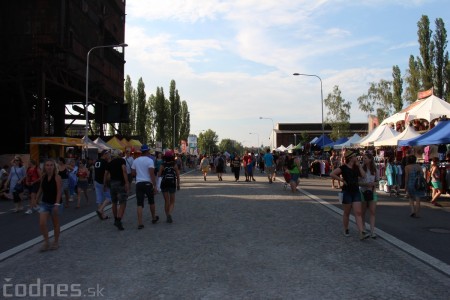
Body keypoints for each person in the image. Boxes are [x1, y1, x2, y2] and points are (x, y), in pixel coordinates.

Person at [330, 149, 370, 240]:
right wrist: (341, 180)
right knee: (347, 213)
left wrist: (359, 166)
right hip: (346, 191)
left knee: (358, 212)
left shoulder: (356, 167)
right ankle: (346, 228)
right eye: (355, 156)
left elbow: (363, 176)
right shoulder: (343, 167)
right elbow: (332, 174)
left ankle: (361, 232)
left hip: (355, 191)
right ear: (351, 158)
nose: (356, 157)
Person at [36, 159, 62, 251]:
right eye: (47, 165)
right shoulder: (43, 177)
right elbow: (41, 189)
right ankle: (46, 242)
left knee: (55, 224)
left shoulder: (57, 177)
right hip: (45, 203)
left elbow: (59, 191)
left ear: (54, 167)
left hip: (55, 203)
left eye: (51, 165)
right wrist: (36, 198)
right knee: (42, 223)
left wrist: (57, 204)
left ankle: (56, 242)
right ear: (45, 167)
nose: (49, 167)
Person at [131, 144, 158, 229]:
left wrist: (139, 174)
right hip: (147, 183)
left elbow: (133, 173)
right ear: (147, 151)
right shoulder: (149, 161)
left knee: (139, 203)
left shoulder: (136, 160)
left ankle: (140, 223)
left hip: (139, 183)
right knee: (151, 201)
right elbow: (152, 174)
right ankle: (153, 218)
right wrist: (155, 185)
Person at [105, 150, 129, 230]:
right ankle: (118, 220)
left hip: (112, 183)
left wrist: (105, 184)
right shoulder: (122, 160)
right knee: (123, 202)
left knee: (114, 202)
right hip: (120, 183)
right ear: (119, 155)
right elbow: (124, 171)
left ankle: (115, 218)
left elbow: (106, 174)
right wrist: (126, 182)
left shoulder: (110, 163)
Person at [359, 153, 379, 238]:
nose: (364, 160)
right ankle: (363, 228)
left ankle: (372, 231)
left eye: (366, 158)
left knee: (372, 212)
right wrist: (364, 184)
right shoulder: (361, 169)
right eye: (363, 158)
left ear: (370, 159)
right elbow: (358, 182)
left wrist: (373, 183)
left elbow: (378, 181)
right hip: (363, 191)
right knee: (362, 212)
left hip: (372, 192)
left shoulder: (375, 170)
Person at [158, 150, 180, 223]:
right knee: (172, 201)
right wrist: (178, 184)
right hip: (172, 183)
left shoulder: (162, 165)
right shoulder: (174, 165)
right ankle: (169, 214)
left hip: (164, 183)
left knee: (166, 201)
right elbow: (178, 175)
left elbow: (159, 175)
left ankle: (167, 215)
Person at [94, 150, 111, 220]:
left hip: (96, 181)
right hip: (102, 182)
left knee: (99, 199)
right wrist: (105, 184)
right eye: (108, 154)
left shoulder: (97, 161)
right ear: (105, 154)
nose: (109, 155)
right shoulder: (105, 162)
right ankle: (100, 210)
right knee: (109, 197)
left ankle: (102, 215)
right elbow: (106, 174)